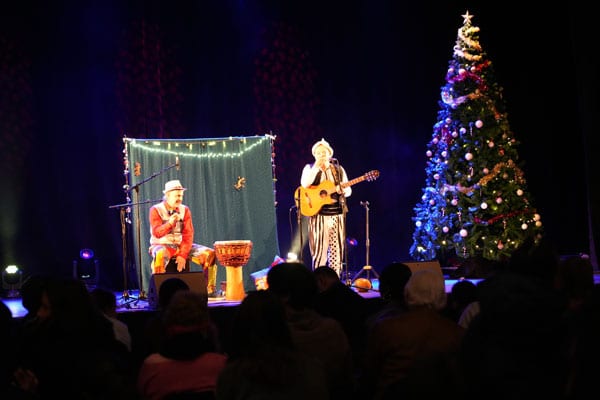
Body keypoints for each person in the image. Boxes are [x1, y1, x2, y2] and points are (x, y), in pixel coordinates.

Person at [149, 179, 217, 295]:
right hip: (162, 244)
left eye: (181, 195)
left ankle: (208, 291)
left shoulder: (184, 210)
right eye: (177, 195)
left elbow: (188, 234)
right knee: (160, 256)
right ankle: (159, 291)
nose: (179, 198)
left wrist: (183, 254)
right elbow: (157, 233)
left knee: (210, 255)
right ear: (167, 195)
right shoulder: (156, 210)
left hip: (181, 245)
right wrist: (170, 223)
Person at [300, 139, 351, 276]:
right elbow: (304, 184)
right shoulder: (309, 168)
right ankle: (318, 280)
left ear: (329, 154)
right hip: (319, 215)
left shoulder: (338, 169)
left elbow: (349, 190)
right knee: (319, 250)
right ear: (314, 155)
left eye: (324, 152)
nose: (321, 155)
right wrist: (316, 167)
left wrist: (343, 190)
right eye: (318, 153)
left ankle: (335, 279)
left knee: (336, 250)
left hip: (337, 215)